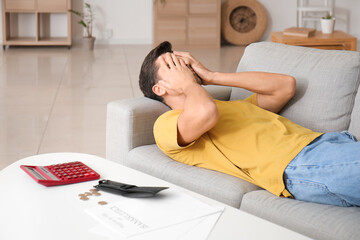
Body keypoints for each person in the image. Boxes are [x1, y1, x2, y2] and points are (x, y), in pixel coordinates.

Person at [139, 41, 360, 207]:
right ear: (160, 88)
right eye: (172, 65)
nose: (183, 65)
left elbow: (285, 85)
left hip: (328, 142)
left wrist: (212, 76)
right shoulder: (166, 123)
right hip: (299, 164)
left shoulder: (233, 106)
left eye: (180, 60)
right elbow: (205, 112)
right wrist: (188, 83)